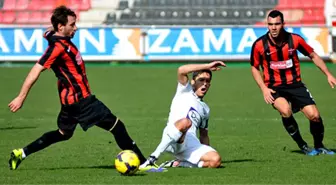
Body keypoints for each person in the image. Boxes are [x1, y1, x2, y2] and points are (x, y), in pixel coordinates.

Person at [8, 6, 163, 172]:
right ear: (61, 27)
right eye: (72, 25)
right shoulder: (57, 48)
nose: (76, 28)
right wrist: (21, 97)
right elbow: (35, 70)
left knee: (63, 133)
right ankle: (144, 164)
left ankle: (22, 153)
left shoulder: (53, 35)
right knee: (117, 127)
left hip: (69, 103)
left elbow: (47, 32)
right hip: (82, 101)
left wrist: (56, 28)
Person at [250, 10, 336, 155]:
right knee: (285, 110)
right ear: (267, 25)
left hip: (295, 85)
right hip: (274, 87)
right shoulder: (259, 45)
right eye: (270, 24)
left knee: (314, 116)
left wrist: (328, 74)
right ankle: (303, 145)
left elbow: (313, 55)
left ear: (283, 24)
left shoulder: (295, 40)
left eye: (277, 24)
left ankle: (319, 146)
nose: (274, 27)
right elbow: (254, 67)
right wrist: (263, 88)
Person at [139, 62, 225, 169]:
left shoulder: (205, 109)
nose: (205, 84)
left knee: (215, 161)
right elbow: (181, 70)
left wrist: (205, 152)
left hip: (190, 144)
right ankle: (152, 158)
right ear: (193, 82)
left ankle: (178, 164)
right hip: (173, 137)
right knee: (186, 122)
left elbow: (203, 135)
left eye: (207, 81)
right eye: (201, 80)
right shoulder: (185, 90)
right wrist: (207, 66)